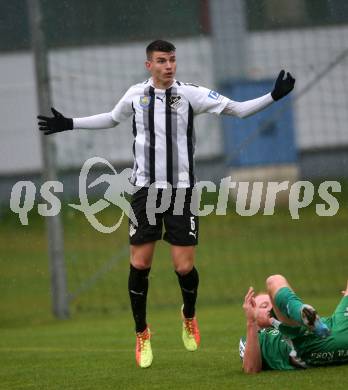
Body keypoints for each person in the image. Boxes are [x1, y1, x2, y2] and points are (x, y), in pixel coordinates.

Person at [37, 40, 295, 368]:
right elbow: (111, 118)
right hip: (145, 191)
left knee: (183, 267)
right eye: (162, 61)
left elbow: (237, 109)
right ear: (149, 65)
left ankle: (188, 315)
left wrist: (273, 96)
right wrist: (69, 123)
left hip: (181, 193)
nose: (169, 66)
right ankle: (142, 333)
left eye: (172, 60)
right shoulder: (135, 95)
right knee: (140, 264)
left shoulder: (190, 94)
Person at [240, 274, 348, 373]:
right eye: (264, 306)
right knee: (273, 280)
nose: (271, 307)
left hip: (336, 325)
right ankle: (299, 311)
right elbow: (251, 368)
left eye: (273, 302)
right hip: (303, 342)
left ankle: (302, 313)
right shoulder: (257, 339)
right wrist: (251, 322)